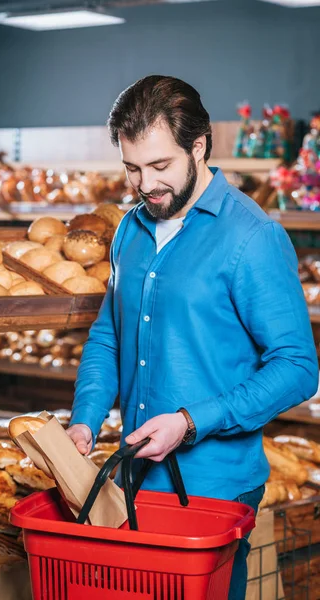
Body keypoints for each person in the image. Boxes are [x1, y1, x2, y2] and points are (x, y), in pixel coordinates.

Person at [66, 75, 318, 599]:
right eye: (133, 168)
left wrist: (189, 422)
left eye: (160, 166)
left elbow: (298, 367)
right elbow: (109, 335)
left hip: (213, 490)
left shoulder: (253, 237)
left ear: (198, 146)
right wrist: (85, 422)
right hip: (132, 480)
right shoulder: (130, 230)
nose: (146, 184)